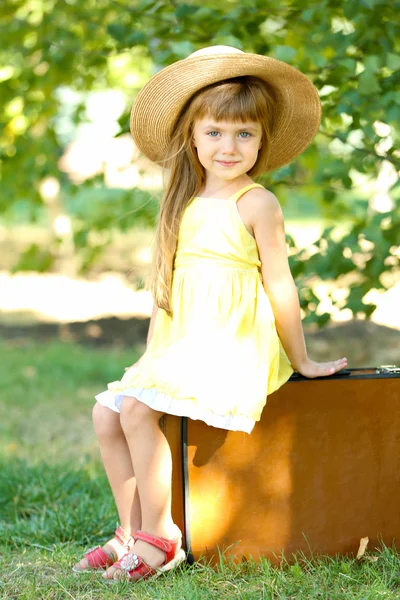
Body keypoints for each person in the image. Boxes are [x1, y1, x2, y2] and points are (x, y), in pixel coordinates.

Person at [73, 45, 347, 582]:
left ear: (262, 141)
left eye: (244, 134)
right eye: (215, 132)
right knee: (108, 412)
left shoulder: (256, 203)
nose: (229, 146)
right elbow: (165, 292)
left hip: (234, 346)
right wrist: (151, 358)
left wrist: (303, 360)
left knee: (135, 412)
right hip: (184, 344)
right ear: (192, 137)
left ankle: (162, 535)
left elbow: (280, 285)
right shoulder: (184, 199)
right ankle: (129, 530)